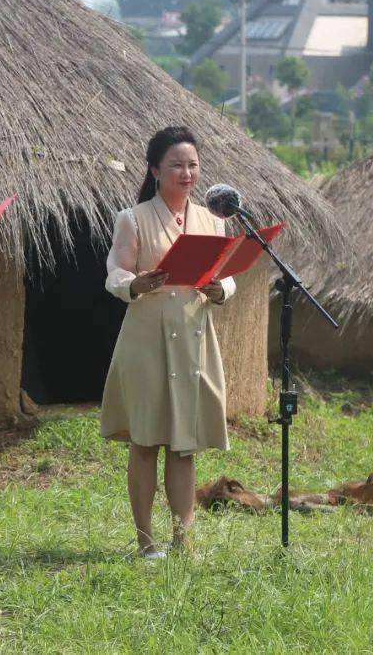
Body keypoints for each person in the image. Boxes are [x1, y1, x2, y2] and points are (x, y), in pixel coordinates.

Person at [100, 126, 236, 559]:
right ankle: (146, 543)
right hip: (147, 339)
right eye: (176, 164)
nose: (186, 173)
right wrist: (135, 283)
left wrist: (222, 290)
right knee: (146, 441)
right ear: (155, 169)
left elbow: (225, 274)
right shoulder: (133, 218)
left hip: (194, 339)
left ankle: (183, 541)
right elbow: (114, 275)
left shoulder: (213, 221)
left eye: (193, 165)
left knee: (185, 443)